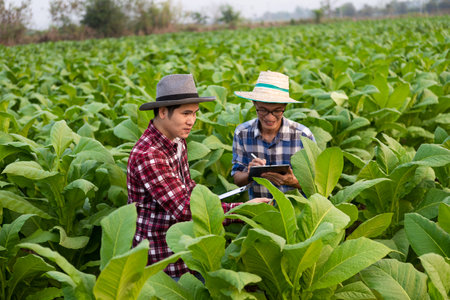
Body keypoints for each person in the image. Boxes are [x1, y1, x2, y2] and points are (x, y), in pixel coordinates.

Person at [127, 74, 269, 279]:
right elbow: (184, 210)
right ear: (163, 111)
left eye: (194, 113)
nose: (192, 121)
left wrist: (208, 201)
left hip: (187, 248)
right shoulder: (149, 155)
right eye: (186, 113)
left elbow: (188, 185)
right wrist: (243, 210)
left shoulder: (176, 140)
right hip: (162, 259)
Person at [231, 71, 316, 199]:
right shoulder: (242, 133)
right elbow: (237, 179)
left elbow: (317, 185)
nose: (269, 117)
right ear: (254, 103)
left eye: (277, 110)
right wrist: (250, 173)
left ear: (285, 106)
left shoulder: (303, 136)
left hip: (296, 213)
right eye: (263, 110)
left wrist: (293, 181)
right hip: (260, 212)